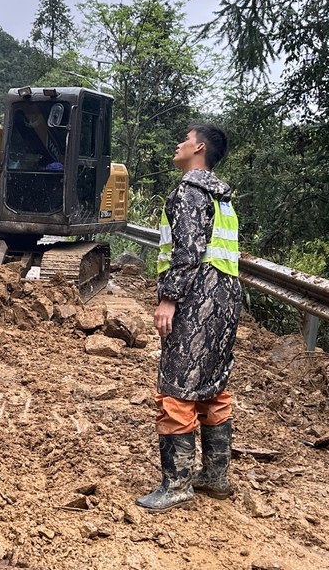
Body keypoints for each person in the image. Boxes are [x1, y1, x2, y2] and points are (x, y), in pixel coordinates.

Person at [136, 124, 242, 512]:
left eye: (184, 139)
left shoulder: (188, 191)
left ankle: (177, 485)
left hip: (198, 299)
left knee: (177, 386)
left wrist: (169, 299)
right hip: (227, 297)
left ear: (198, 147)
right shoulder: (221, 196)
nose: (178, 144)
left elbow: (188, 251)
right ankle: (215, 477)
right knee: (213, 385)